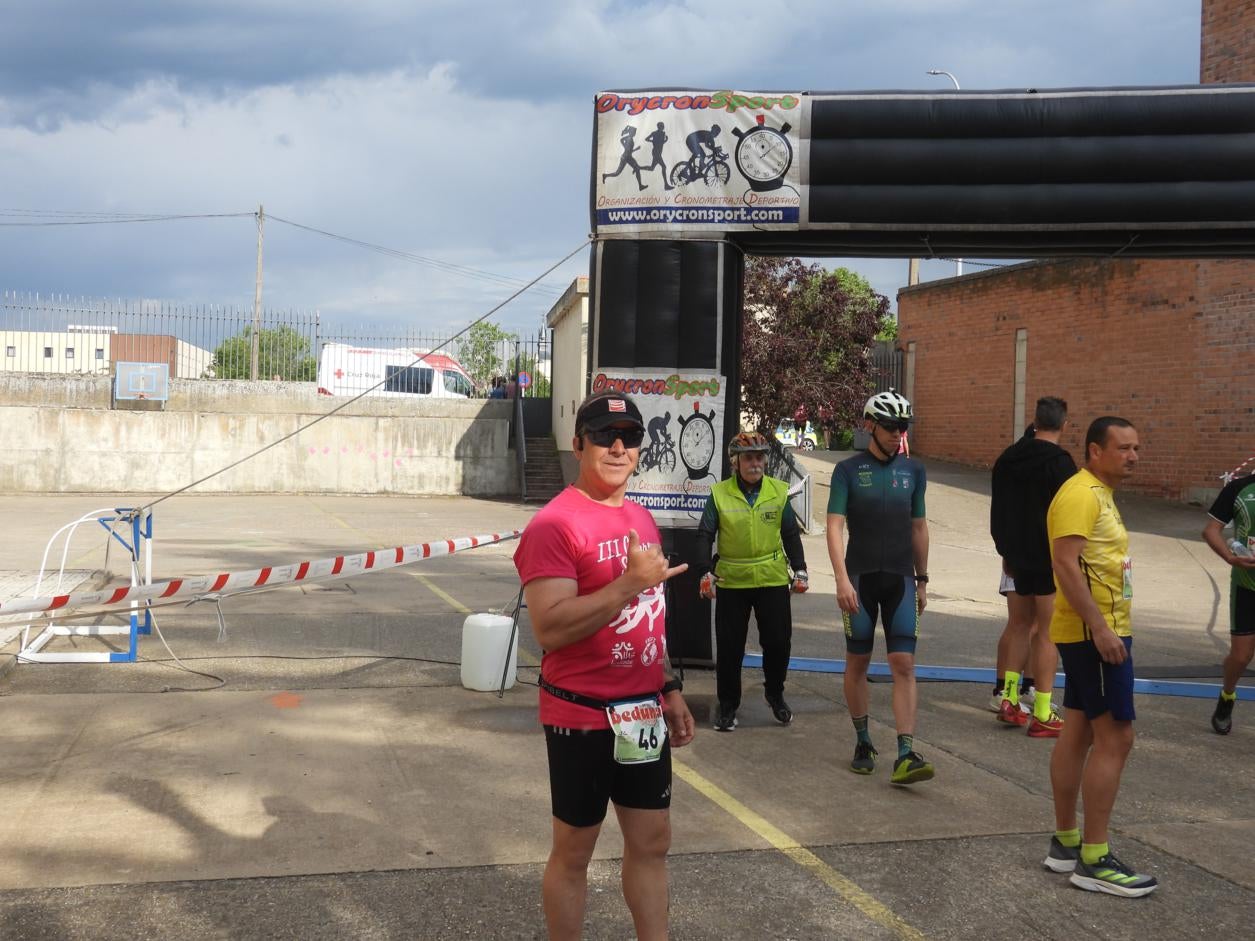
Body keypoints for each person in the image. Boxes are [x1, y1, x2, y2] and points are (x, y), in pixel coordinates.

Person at [513, 390, 694, 940]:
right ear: (578, 443)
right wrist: (627, 582)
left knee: (652, 842)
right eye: (603, 436)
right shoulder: (553, 525)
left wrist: (668, 686)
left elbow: (647, 615)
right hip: (582, 716)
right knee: (574, 852)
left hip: (641, 714)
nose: (618, 447)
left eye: (631, 437)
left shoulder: (640, 516)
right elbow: (552, 627)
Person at [1044, 416, 1157, 897]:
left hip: (1096, 631)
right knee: (1117, 737)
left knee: (1079, 731)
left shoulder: (1098, 494)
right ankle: (1094, 858)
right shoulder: (1081, 493)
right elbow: (1064, 563)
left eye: (1137, 448)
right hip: (1098, 635)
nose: (1133, 456)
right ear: (1095, 450)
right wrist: (1100, 628)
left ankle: (1066, 841)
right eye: (1124, 448)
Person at [826, 391, 933, 786]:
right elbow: (835, 525)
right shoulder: (848, 471)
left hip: (902, 578)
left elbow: (919, 527)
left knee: (904, 663)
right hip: (860, 578)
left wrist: (922, 579)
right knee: (858, 662)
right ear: (870, 425)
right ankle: (863, 739)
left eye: (903, 427)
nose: (897, 434)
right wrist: (839, 578)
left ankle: (906, 752)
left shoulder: (914, 471)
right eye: (890, 426)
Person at [695, 431, 808, 731]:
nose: (755, 463)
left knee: (778, 642)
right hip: (733, 582)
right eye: (748, 458)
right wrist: (705, 570)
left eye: (760, 457)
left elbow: (790, 534)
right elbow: (705, 534)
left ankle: (775, 694)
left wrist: (801, 569)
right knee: (731, 648)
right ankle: (728, 706)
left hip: (772, 580)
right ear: (735, 462)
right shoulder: (719, 493)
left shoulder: (778, 491)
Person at [989, 397, 1077, 737]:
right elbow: (1069, 515)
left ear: (1035, 421)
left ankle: (1009, 699)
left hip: (1017, 556)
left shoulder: (1008, 458)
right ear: (1064, 425)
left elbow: (997, 509)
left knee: (1018, 625)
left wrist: (1005, 549)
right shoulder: (1061, 464)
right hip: (1050, 559)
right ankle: (1042, 711)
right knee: (1048, 633)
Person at [1201, 470, 1255, 734]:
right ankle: (1227, 696)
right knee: (1242, 656)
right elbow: (1211, 530)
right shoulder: (1240, 488)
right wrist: (1230, 557)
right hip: (1248, 586)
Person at [602, 125, 648, 191]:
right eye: (634, 132)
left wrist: (625, 146)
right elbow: (629, 151)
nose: (635, 133)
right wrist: (636, 149)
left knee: (634, 169)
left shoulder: (628, 137)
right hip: (626, 157)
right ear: (631, 132)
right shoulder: (629, 139)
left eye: (635, 132)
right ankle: (605, 175)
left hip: (627, 157)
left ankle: (640, 185)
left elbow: (621, 140)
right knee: (617, 173)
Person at [643, 122, 674, 190]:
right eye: (662, 126)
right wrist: (653, 141)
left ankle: (638, 167)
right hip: (656, 153)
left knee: (652, 168)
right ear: (659, 127)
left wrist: (664, 140)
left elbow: (660, 142)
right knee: (664, 166)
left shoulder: (660, 133)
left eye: (663, 126)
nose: (663, 127)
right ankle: (666, 185)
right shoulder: (658, 133)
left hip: (657, 152)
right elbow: (647, 139)